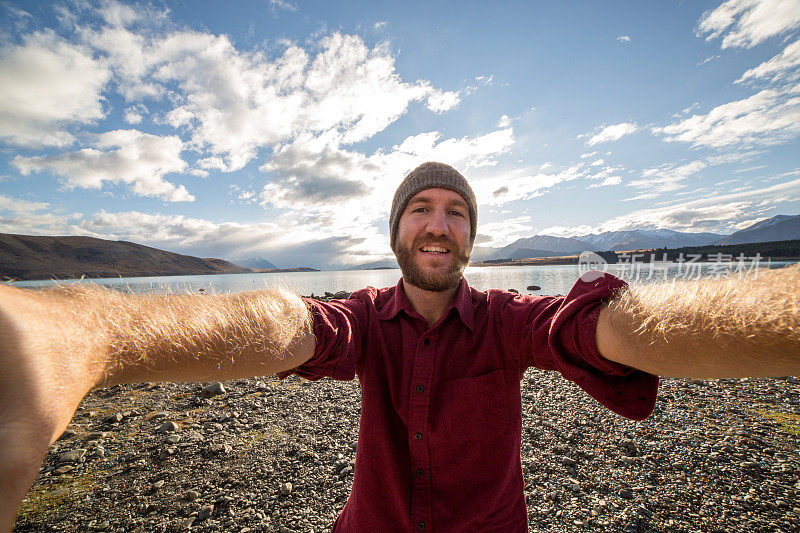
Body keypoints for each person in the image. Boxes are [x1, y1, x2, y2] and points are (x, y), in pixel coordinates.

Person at [0, 162, 798, 532]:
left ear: (472, 237)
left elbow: (597, 328)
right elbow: (300, 327)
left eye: (456, 210)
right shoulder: (366, 315)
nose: (439, 223)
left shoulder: (507, 317)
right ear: (397, 230)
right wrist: (95, 333)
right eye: (422, 206)